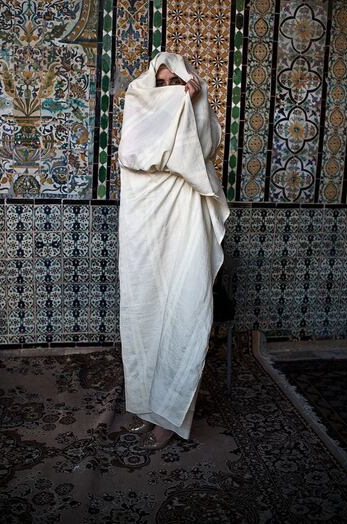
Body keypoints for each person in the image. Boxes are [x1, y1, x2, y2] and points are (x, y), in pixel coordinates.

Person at [118, 52, 229, 450]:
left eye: (174, 83)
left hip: (184, 223)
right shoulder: (140, 110)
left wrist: (192, 101)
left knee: (183, 311)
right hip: (146, 231)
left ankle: (171, 415)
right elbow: (132, 155)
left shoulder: (195, 107)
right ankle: (147, 409)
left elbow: (204, 151)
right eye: (161, 85)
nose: (168, 92)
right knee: (145, 316)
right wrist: (171, 103)